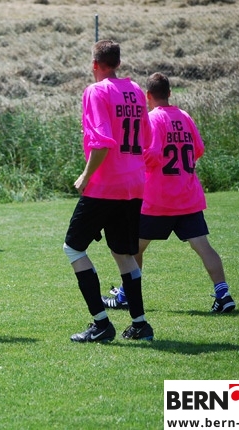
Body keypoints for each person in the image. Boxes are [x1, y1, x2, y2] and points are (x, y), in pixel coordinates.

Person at [102, 72, 236, 313]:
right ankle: (223, 294)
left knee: (134, 249)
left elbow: (151, 155)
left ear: (148, 96)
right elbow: (198, 149)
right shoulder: (185, 116)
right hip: (188, 196)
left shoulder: (153, 119)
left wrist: (133, 164)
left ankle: (125, 296)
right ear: (170, 93)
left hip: (158, 200)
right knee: (203, 246)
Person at [63, 40, 154, 343]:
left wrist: (85, 176)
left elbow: (102, 143)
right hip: (134, 183)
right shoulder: (136, 91)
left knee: (73, 248)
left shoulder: (96, 91)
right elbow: (146, 138)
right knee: (124, 254)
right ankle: (140, 324)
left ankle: (101, 323)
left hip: (105, 185)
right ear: (118, 62)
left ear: (94, 64)